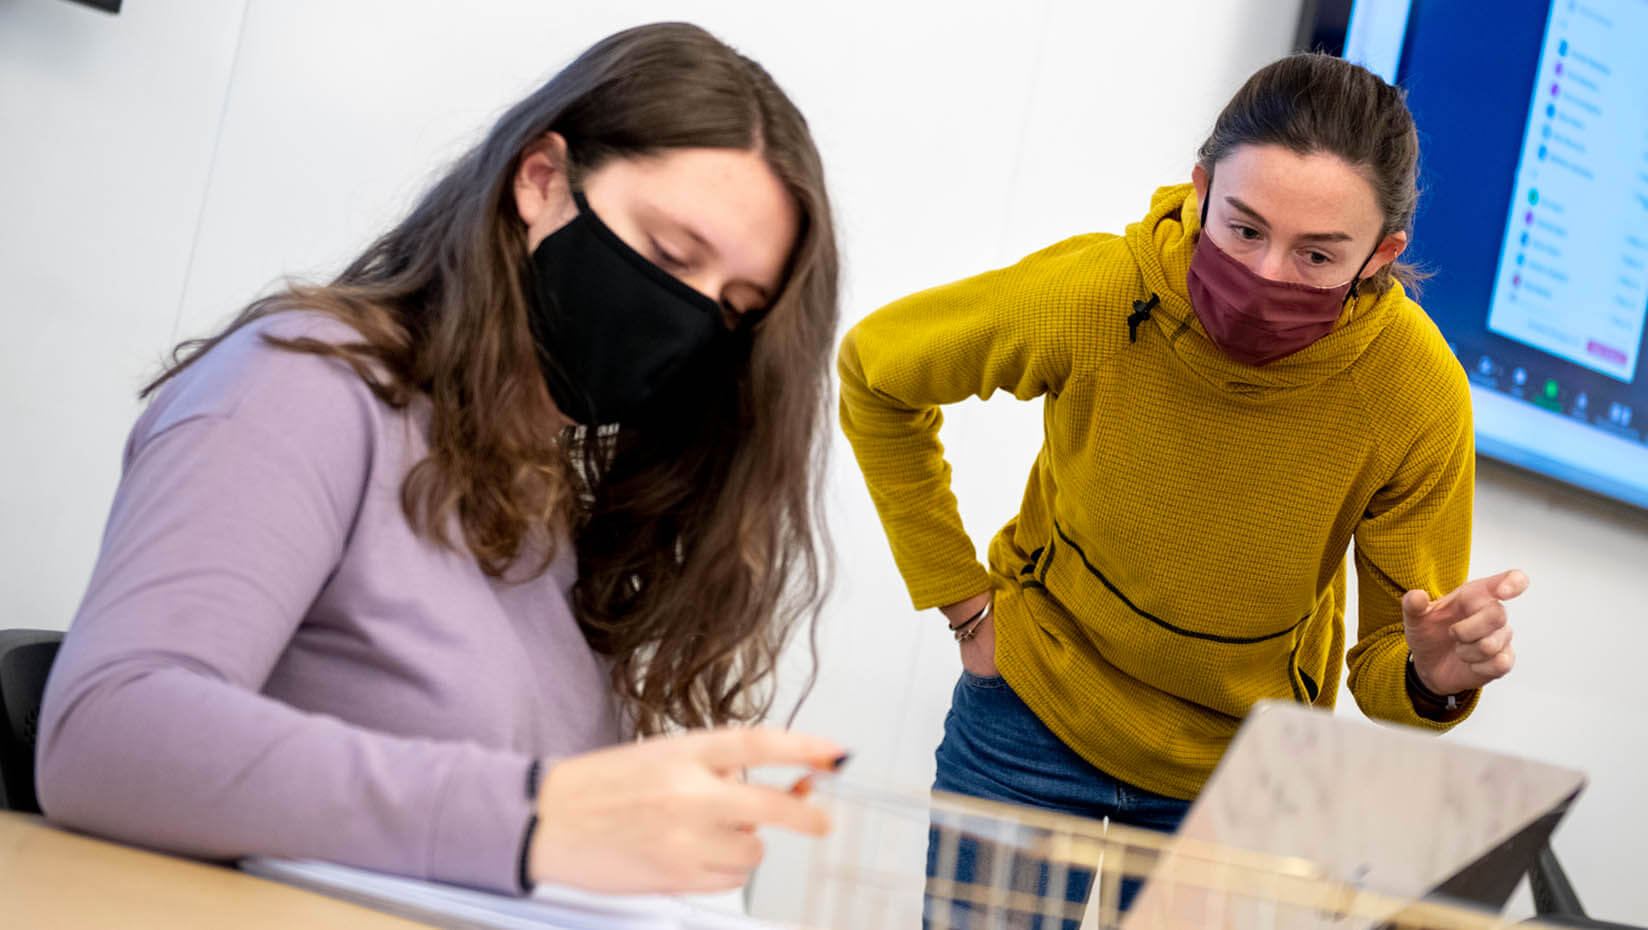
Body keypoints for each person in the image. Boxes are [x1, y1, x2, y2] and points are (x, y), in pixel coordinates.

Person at [37, 22, 846, 897]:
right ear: (541, 181)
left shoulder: (546, 498)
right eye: (669, 256)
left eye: (734, 307)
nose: (690, 321)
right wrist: (534, 817)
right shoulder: (307, 384)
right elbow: (103, 735)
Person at [838, 52, 1527, 925]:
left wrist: (1432, 677)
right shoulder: (1099, 291)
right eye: (1243, 230)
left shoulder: (1415, 393)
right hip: (1030, 721)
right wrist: (962, 600)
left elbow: (1389, 674)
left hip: (1239, 785)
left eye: (1318, 255)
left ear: (1381, 254)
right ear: (1200, 190)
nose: (1268, 276)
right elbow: (876, 375)